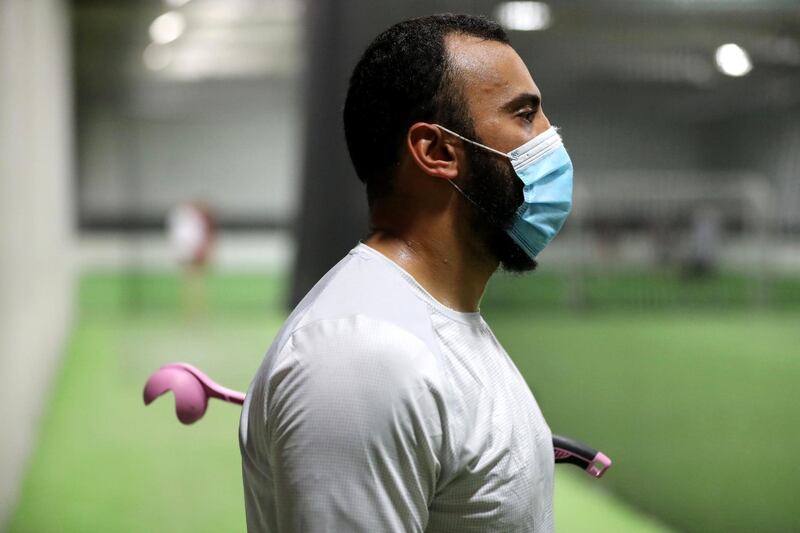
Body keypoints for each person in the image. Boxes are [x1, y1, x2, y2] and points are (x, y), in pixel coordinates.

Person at [239, 13, 573, 532]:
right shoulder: (362, 357)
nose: (551, 137)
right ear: (438, 152)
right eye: (525, 115)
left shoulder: (437, 329)